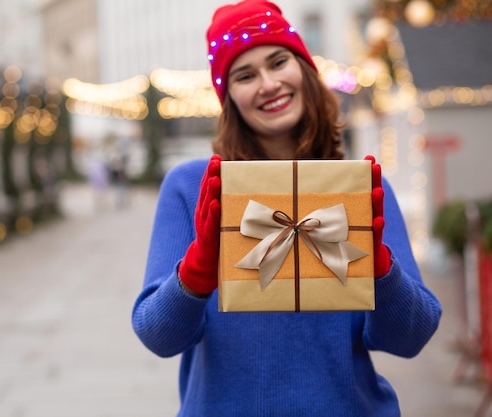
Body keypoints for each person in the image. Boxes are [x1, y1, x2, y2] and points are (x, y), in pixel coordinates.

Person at [132, 1, 442, 416]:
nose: (268, 83)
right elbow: (158, 336)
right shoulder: (193, 188)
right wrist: (196, 273)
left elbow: (411, 338)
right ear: (229, 98)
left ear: (304, 69)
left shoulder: (361, 186)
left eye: (278, 62)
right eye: (245, 75)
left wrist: (381, 270)